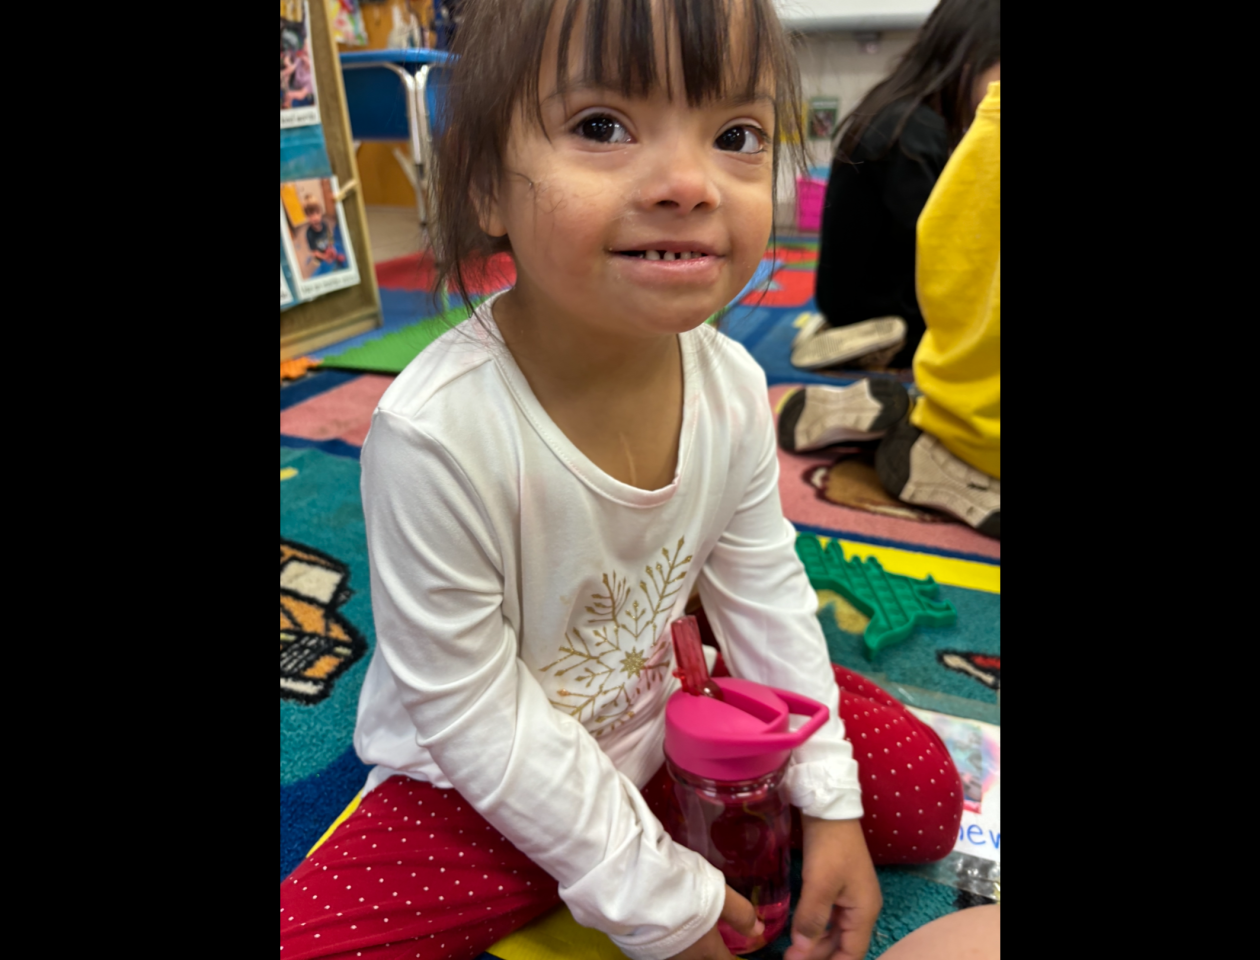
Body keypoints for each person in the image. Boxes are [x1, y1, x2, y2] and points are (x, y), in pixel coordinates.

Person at [280, 4, 965, 960]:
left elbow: (763, 591)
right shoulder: (435, 434)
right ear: (484, 186)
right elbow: (473, 711)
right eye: (602, 126)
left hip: (674, 716)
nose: (690, 184)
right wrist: (652, 896)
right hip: (481, 777)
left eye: (736, 136)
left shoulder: (732, 383)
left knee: (921, 797)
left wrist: (828, 796)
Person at [779, 80, 1001, 538]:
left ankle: (927, 407)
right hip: (890, 310)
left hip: (874, 309)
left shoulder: (904, 114)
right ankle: (945, 427)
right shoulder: (916, 131)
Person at [791, 0, 1000, 372]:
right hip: (880, 315)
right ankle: (880, 348)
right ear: (971, 60)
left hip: (853, 302)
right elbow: (948, 253)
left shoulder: (902, 112)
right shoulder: (912, 133)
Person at [302, 201, 347, 274]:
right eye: (310, 215)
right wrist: (325, 257)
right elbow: (314, 252)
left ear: (321, 212)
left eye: (317, 213)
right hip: (320, 257)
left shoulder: (324, 224)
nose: (315, 218)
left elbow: (329, 237)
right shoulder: (309, 234)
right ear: (307, 217)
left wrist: (331, 248)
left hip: (327, 250)